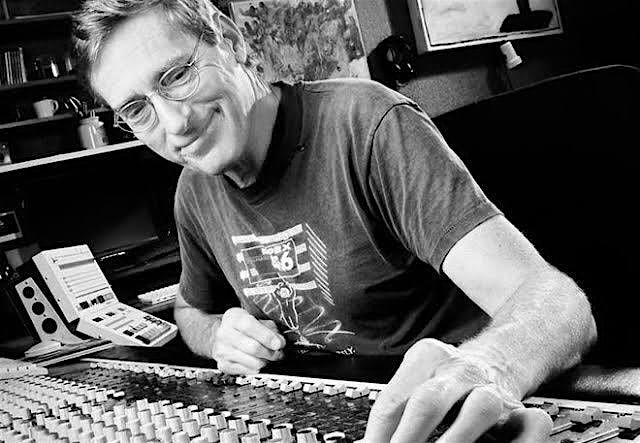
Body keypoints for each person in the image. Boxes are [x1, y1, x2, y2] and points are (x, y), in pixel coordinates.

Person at [73, 0, 596, 441]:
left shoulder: (368, 123)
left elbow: (560, 305)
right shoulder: (193, 191)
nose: (174, 123)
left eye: (178, 76)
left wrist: (487, 367)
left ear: (230, 42)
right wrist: (216, 336)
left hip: (450, 415)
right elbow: (190, 308)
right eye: (137, 109)